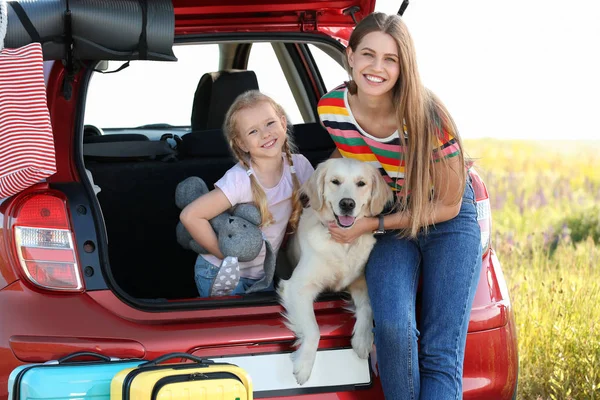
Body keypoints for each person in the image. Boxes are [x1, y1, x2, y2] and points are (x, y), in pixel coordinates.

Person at [317, 12, 482, 400]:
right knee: (392, 328)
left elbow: (449, 204)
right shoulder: (332, 109)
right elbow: (352, 163)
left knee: (440, 351)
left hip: (447, 221)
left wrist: (371, 224)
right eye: (368, 55)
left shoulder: (427, 116)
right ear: (350, 56)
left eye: (390, 59)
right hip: (390, 216)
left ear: (403, 65)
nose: (377, 68)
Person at [181, 90, 314, 297]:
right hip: (219, 272)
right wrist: (224, 255)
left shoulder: (300, 166)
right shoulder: (240, 180)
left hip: (262, 275)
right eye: (253, 131)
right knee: (229, 328)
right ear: (242, 143)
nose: (265, 134)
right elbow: (191, 216)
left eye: (270, 123)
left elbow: (321, 205)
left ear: (283, 123)